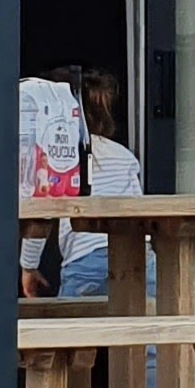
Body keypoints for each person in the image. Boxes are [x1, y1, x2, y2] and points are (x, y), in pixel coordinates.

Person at [53, 67, 144, 298]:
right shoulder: (123, 155)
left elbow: (40, 217)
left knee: (73, 320)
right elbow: (139, 206)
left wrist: (29, 266)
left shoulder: (61, 157)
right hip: (138, 255)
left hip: (86, 257)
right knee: (148, 315)